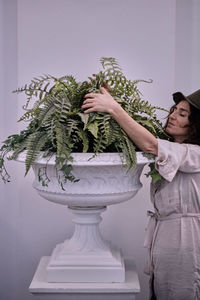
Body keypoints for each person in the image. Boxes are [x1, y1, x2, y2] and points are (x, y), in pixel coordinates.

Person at [82, 87, 200, 300]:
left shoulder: (195, 153)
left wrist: (114, 108)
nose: (172, 115)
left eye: (182, 114)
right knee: (163, 289)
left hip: (189, 240)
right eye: (174, 110)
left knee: (184, 289)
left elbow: (149, 144)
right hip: (167, 237)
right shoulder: (172, 150)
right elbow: (143, 137)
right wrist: (113, 100)